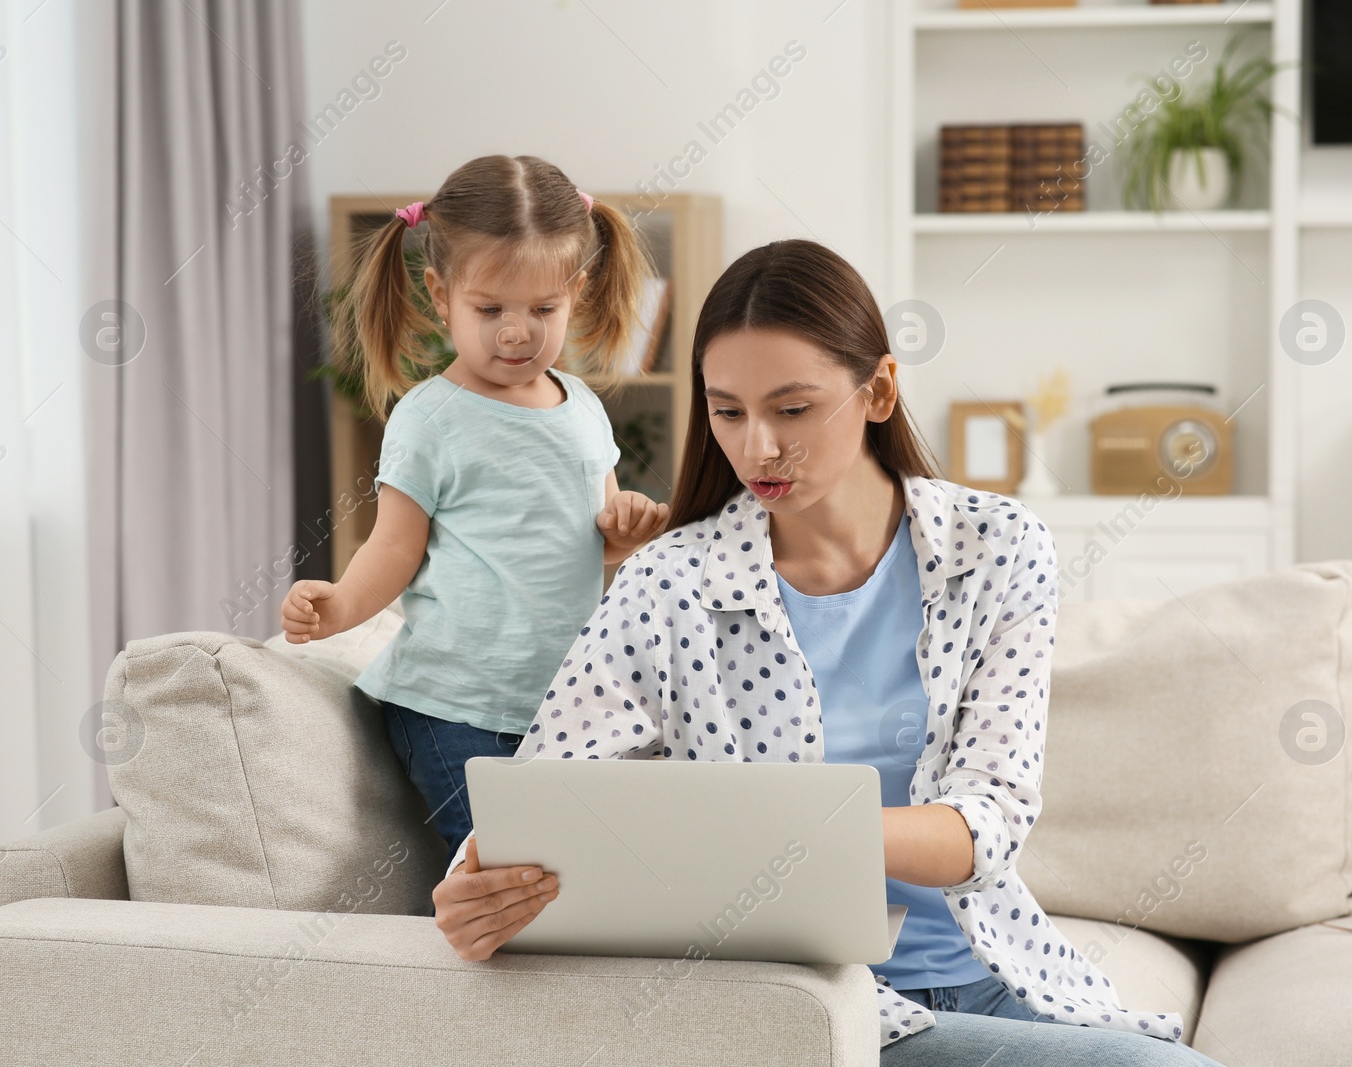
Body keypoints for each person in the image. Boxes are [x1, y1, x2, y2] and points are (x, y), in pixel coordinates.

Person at [429, 238, 1225, 1066]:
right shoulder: (669, 581)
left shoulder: (997, 548)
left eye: (794, 409)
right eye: (728, 411)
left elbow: (987, 820)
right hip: (819, 1006)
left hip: (998, 974)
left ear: (878, 390)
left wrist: (783, 832)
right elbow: (548, 785)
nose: (759, 448)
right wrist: (473, 884)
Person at [278, 154, 669, 862]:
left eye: (542, 309)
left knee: (573, 869)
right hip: (451, 703)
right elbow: (394, 546)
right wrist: (338, 607)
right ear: (440, 294)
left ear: (575, 293)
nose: (516, 332)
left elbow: (597, 542)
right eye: (490, 310)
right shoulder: (431, 418)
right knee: (499, 869)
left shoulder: (582, 409)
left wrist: (627, 530)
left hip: (561, 701)